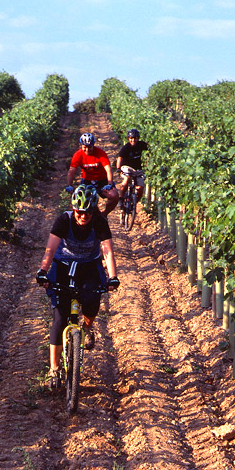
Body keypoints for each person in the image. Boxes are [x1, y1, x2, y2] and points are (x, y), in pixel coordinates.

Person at [36, 184, 120, 387]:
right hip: (62, 266)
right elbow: (51, 248)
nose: (83, 217)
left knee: (92, 301)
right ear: (74, 209)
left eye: (88, 213)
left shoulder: (99, 222)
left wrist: (113, 276)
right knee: (59, 317)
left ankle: (88, 328)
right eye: (80, 212)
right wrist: (43, 271)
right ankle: (54, 370)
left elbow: (107, 250)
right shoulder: (63, 220)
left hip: (90, 265)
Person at [65, 132, 119, 218]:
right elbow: (71, 171)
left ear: (93, 145)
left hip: (102, 180)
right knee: (81, 201)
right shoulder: (78, 155)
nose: (87, 150)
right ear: (81, 146)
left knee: (114, 196)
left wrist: (109, 183)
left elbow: (108, 169)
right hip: (87, 181)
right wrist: (69, 185)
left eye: (89, 147)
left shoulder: (100, 153)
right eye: (84, 147)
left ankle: (104, 215)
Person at [116, 128, 149, 205]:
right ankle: (120, 198)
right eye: (131, 138)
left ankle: (133, 204)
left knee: (140, 188)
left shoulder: (142, 145)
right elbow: (120, 157)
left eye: (135, 138)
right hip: (126, 167)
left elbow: (150, 150)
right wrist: (118, 168)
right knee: (126, 179)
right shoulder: (126, 148)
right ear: (128, 139)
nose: (133, 140)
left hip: (137, 170)